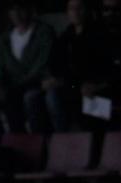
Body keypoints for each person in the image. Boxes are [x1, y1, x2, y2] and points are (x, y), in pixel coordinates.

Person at [0, 3, 53, 146]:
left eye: (20, 8)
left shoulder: (43, 32)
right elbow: (0, 69)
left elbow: (42, 65)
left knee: (19, 97)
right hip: (10, 87)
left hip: (33, 85)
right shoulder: (4, 39)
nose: (16, 13)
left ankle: (27, 142)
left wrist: (16, 85)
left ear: (29, 10)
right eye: (12, 9)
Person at [40, 0, 94, 134]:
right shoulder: (65, 36)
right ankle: (56, 140)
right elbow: (55, 63)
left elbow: (93, 67)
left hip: (91, 87)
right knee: (39, 96)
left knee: (63, 96)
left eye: (79, 8)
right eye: (71, 9)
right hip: (70, 85)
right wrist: (53, 79)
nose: (75, 12)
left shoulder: (98, 33)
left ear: (86, 10)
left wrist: (63, 79)